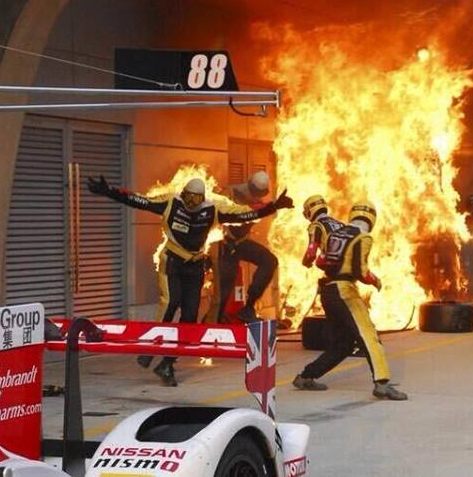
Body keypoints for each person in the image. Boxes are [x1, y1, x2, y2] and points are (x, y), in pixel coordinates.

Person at [87, 175, 292, 386]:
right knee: (170, 303)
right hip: (172, 261)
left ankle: (167, 363)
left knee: (190, 317)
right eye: (188, 199)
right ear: (183, 194)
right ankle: (150, 348)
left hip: (195, 266)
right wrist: (109, 191)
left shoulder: (212, 209)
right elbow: (140, 201)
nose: (191, 204)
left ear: (202, 198)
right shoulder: (171, 202)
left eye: (196, 200)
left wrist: (273, 206)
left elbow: (245, 214)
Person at [293, 202, 407, 400]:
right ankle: (382, 383)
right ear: (371, 219)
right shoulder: (363, 237)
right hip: (345, 291)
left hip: (328, 291)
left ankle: (306, 377)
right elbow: (361, 271)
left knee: (343, 345)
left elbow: (320, 261)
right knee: (369, 336)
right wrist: (376, 280)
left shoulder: (336, 233)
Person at [216, 171, 280, 324]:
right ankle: (216, 319)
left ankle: (248, 307)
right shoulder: (230, 194)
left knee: (269, 261)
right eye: (255, 192)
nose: (257, 196)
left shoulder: (257, 201)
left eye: (260, 193)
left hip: (241, 243)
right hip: (224, 244)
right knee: (225, 285)